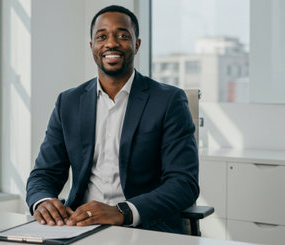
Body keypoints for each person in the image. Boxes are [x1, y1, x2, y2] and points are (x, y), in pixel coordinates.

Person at [26, 5, 199, 234]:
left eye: (122, 36)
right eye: (102, 36)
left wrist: (122, 212)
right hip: (78, 226)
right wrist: (43, 201)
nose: (111, 43)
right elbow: (44, 173)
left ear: (136, 45)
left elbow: (183, 183)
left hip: (144, 228)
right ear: (92, 47)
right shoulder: (68, 102)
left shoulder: (168, 101)